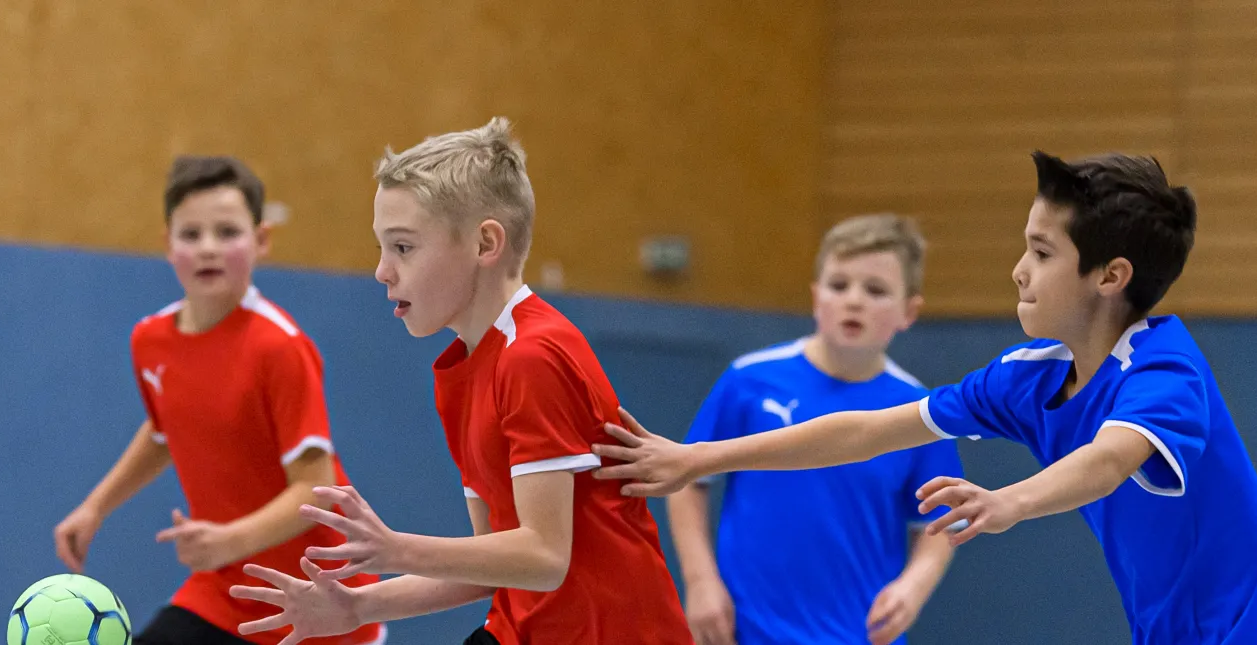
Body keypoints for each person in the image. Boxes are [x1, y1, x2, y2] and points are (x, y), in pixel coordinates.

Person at [593, 151, 1257, 644]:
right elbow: (868, 429)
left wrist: (1009, 501)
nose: (1018, 269)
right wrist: (699, 457)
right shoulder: (1026, 378)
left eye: (1043, 252)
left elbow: (1108, 458)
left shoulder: (1165, 369)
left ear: (1110, 275)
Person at [228, 118, 692, 645]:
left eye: (403, 248)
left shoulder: (532, 356)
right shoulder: (461, 371)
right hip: (522, 629)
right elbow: (492, 560)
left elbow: (543, 557)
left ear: (485, 243)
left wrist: (397, 548)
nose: (382, 271)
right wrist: (359, 605)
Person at [53, 156, 384, 645]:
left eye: (227, 231)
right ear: (168, 244)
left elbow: (315, 488)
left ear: (262, 240)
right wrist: (95, 507)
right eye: (191, 234)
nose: (208, 248)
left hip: (320, 601)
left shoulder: (281, 348)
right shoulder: (150, 340)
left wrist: (229, 541)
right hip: (225, 590)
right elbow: (166, 429)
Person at [669, 214, 961, 645]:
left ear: (909, 311)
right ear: (815, 297)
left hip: (859, 634)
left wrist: (914, 587)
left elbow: (942, 520)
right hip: (747, 630)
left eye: (876, 290)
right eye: (838, 285)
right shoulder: (750, 380)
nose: (854, 301)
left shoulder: (919, 412)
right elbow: (687, 478)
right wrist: (700, 581)